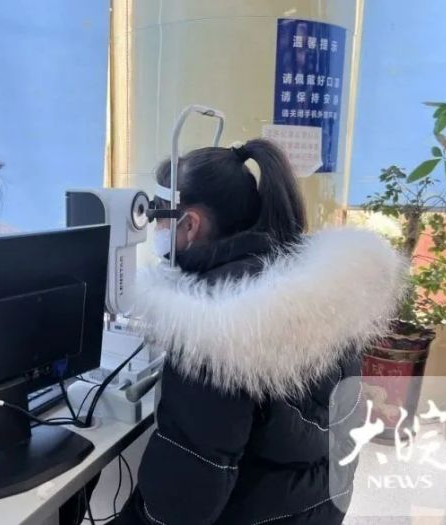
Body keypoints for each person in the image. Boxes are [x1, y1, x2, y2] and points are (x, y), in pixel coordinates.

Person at [115, 140, 405, 524]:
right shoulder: (317, 285)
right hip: (318, 506)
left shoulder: (211, 326)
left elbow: (183, 498)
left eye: (159, 215)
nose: (155, 226)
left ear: (190, 224)